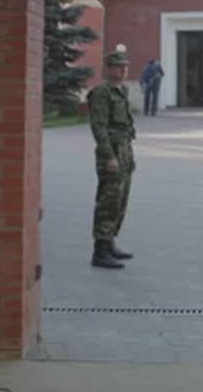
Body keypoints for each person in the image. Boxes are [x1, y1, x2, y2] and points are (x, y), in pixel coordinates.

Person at [86, 51, 137, 269]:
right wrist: (109, 156)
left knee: (120, 201)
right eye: (118, 66)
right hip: (112, 153)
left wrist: (128, 157)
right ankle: (100, 251)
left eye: (125, 66)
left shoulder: (122, 90)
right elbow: (99, 127)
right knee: (108, 202)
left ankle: (110, 242)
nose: (123, 70)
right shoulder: (101, 93)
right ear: (108, 68)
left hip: (124, 150)